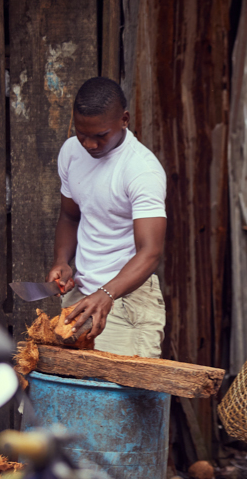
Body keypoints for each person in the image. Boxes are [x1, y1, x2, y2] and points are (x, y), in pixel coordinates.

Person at [46, 77, 168, 358]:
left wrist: (107, 294)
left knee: (117, 398)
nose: (89, 144)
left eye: (100, 135)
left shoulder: (141, 171)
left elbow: (150, 253)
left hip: (127, 298)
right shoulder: (71, 153)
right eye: (81, 133)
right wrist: (62, 261)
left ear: (124, 119)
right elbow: (69, 216)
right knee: (71, 394)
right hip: (83, 296)